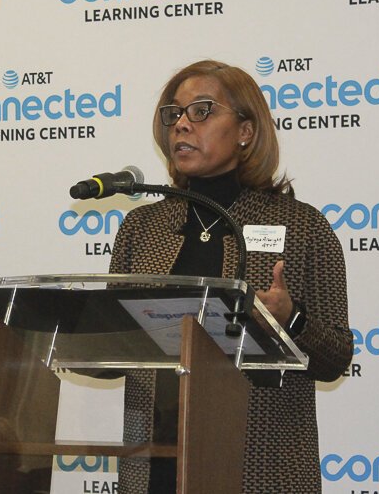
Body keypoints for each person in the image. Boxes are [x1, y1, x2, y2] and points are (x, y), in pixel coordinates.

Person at [108, 60, 354, 493]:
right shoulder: (140, 229)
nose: (182, 124)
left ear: (245, 131)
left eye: (201, 110)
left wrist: (290, 318)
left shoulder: (302, 228)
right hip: (156, 467)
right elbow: (109, 350)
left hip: (262, 467)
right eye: (174, 113)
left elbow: (335, 359)